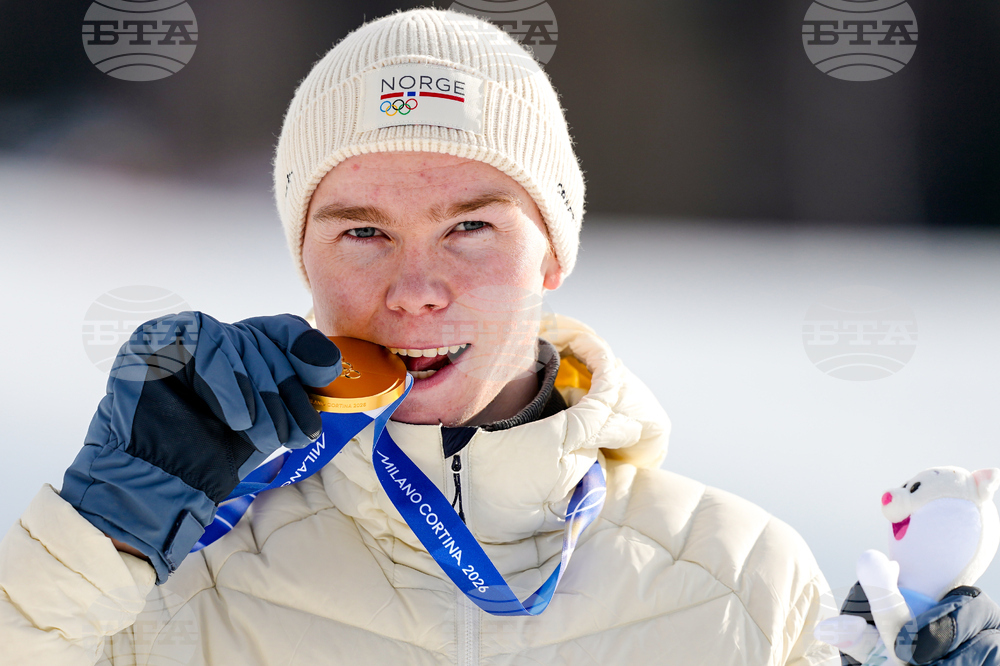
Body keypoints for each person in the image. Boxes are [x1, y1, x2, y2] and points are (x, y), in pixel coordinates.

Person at [5, 8, 989, 665]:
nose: (417, 288)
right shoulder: (183, 580)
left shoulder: (734, 573)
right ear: (301, 258)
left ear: (553, 256)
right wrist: (101, 527)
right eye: (361, 231)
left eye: (470, 227)